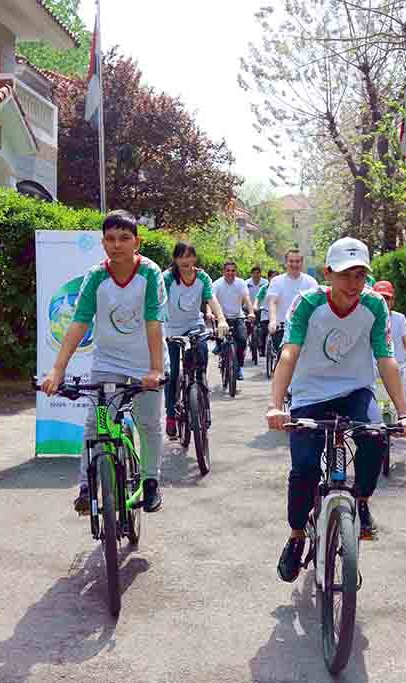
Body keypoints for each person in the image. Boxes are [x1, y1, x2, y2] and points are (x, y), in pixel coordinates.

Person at [266, 237, 406, 582]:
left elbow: (386, 360)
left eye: (360, 275)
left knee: (376, 436)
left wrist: (405, 412)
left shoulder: (375, 306)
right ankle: (295, 536)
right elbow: (289, 353)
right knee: (305, 468)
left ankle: (361, 500)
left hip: (355, 390)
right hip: (310, 394)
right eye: (344, 275)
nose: (353, 284)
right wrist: (276, 406)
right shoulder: (308, 303)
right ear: (327, 274)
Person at [41, 210, 168, 514]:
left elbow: (153, 323)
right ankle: (87, 486)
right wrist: (57, 370)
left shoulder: (150, 274)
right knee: (97, 426)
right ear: (103, 243)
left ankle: (151, 481)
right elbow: (79, 322)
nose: (117, 245)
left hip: (145, 364)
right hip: (107, 364)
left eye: (124, 238)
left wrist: (155, 369)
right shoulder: (96, 276)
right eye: (110, 239)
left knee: (149, 423)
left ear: (137, 242)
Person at [162, 242, 230, 438]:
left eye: (189, 256)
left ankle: (201, 399)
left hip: (194, 325)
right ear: (175, 259)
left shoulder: (202, 277)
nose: (185, 260)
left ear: (195, 258)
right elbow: (158, 302)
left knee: (200, 364)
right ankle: (170, 417)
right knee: (172, 374)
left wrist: (222, 320)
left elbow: (211, 300)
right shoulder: (167, 278)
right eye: (181, 256)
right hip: (171, 329)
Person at [372, 281, 406, 399]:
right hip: (375, 369)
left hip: (397, 368)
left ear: (393, 301)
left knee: (403, 399)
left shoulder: (399, 319)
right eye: (380, 298)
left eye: (387, 298)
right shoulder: (368, 318)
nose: (384, 302)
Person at [266, 248, 319, 354]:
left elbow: (316, 306)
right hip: (282, 327)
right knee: (284, 356)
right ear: (286, 263)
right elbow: (273, 302)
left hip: (305, 327)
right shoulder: (277, 281)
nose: (294, 264)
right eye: (291, 261)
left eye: (297, 261)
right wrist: (272, 321)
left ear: (302, 263)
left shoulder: (311, 282)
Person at [212, 260, 257, 381]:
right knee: (221, 337)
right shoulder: (217, 284)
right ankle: (220, 346)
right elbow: (210, 299)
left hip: (238, 316)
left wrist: (251, 312)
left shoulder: (241, 283)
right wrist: (209, 312)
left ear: (236, 272)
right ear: (223, 272)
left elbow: (247, 298)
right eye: (228, 270)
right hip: (222, 318)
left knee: (242, 341)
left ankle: (239, 367)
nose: (230, 273)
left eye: (233, 271)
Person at [256, 268, 278, 356]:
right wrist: (255, 306)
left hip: (277, 313)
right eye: (272, 277)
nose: (274, 279)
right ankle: (262, 347)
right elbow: (258, 298)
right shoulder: (264, 288)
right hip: (265, 312)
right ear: (268, 278)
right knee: (263, 331)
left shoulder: (280, 287)